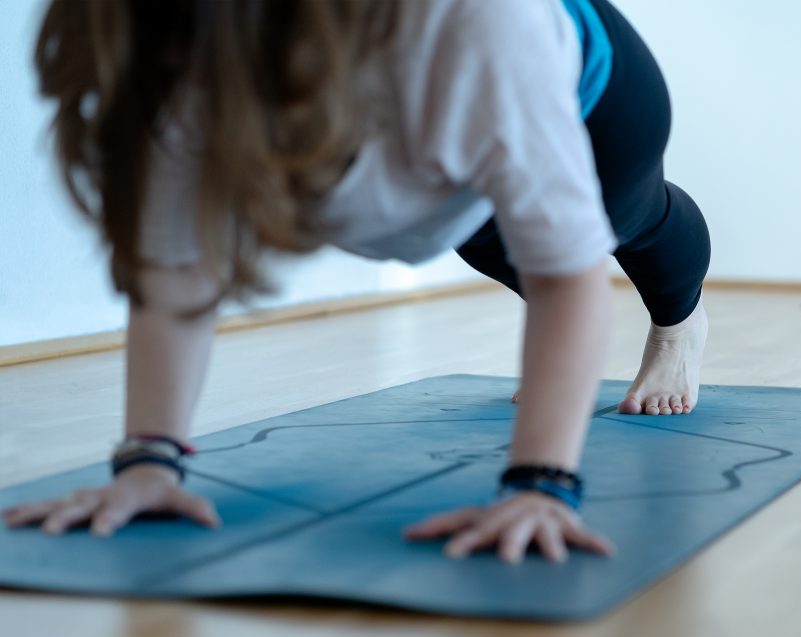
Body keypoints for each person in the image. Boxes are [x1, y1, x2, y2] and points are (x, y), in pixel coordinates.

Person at [3, 0, 711, 564]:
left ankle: (680, 323)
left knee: (615, 227)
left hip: (598, 94)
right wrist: (147, 463)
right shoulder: (179, 56)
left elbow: (569, 277)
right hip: (428, 125)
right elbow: (175, 273)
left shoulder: (479, 30)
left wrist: (540, 482)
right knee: (497, 241)